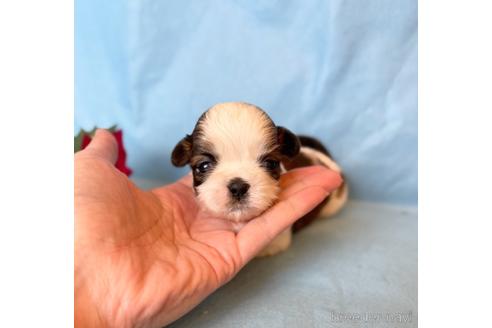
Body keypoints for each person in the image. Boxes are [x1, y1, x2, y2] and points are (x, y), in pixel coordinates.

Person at [75, 129, 342, 327]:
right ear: (186, 155)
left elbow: (277, 241)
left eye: (268, 164)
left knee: (329, 205)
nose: (238, 184)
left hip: (325, 183)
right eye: (205, 165)